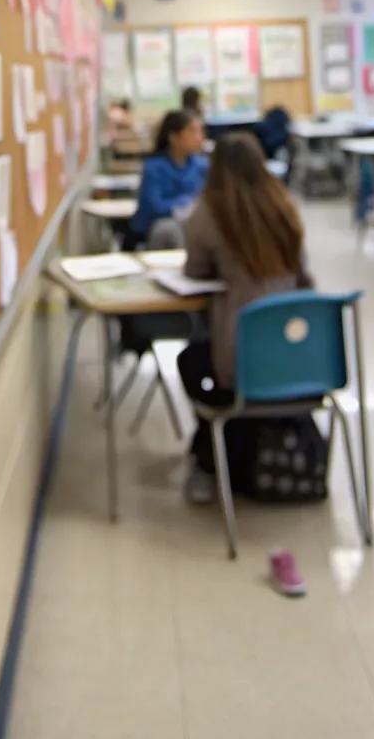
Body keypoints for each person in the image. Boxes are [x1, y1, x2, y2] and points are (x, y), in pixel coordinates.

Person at [176, 133, 313, 503]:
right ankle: (221, 450)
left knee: (192, 360)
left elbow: (194, 272)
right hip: (303, 359)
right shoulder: (284, 206)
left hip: (243, 362)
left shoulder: (208, 213)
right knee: (223, 354)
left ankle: (210, 455)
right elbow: (304, 275)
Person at [125, 108, 208, 249]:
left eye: (201, 131)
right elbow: (154, 207)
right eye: (193, 132)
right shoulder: (154, 167)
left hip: (192, 231)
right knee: (169, 229)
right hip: (156, 234)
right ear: (174, 137)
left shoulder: (202, 166)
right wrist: (185, 205)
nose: (200, 137)